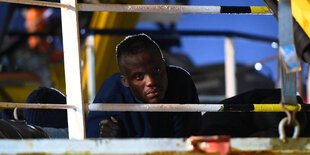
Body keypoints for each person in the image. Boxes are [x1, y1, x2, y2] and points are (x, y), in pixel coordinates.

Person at [86, 34, 201, 138]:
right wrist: (107, 145)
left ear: (164, 65)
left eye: (156, 70)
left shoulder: (180, 81)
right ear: (125, 81)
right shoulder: (111, 94)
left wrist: (122, 145)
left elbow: (188, 141)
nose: (151, 81)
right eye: (138, 76)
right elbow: (90, 145)